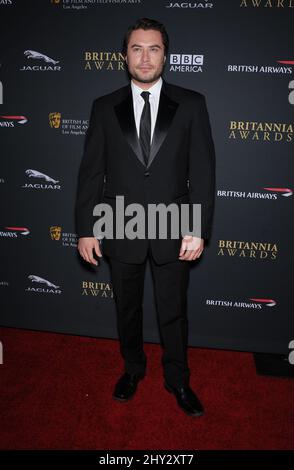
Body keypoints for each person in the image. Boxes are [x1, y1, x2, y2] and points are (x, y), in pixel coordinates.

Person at [76, 18, 215, 417]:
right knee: (128, 309)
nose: (145, 57)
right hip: (120, 224)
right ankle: (133, 369)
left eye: (153, 48)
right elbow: (91, 172)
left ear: (165, 55)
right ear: (125, 56)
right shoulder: (104, 107)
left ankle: (178, 380)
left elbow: (203, 171)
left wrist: (197, 228)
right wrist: (86, 229)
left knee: (174, 310)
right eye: (137, 48)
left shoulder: (192, 103)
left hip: (174, 225)